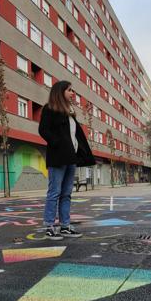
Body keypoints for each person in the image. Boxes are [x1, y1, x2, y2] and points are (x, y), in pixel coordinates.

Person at [38, 81, 95, 240]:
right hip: (58, 158)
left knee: (67, 194)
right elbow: (43, 130)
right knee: (54, 192)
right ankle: (49, 226)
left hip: (71, 158)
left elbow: (75, 136)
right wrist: (58, 144)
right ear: (60, 92)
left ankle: (65, 226)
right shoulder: (50, 109)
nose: (73, 93)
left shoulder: (69, 113)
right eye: (70, 90)